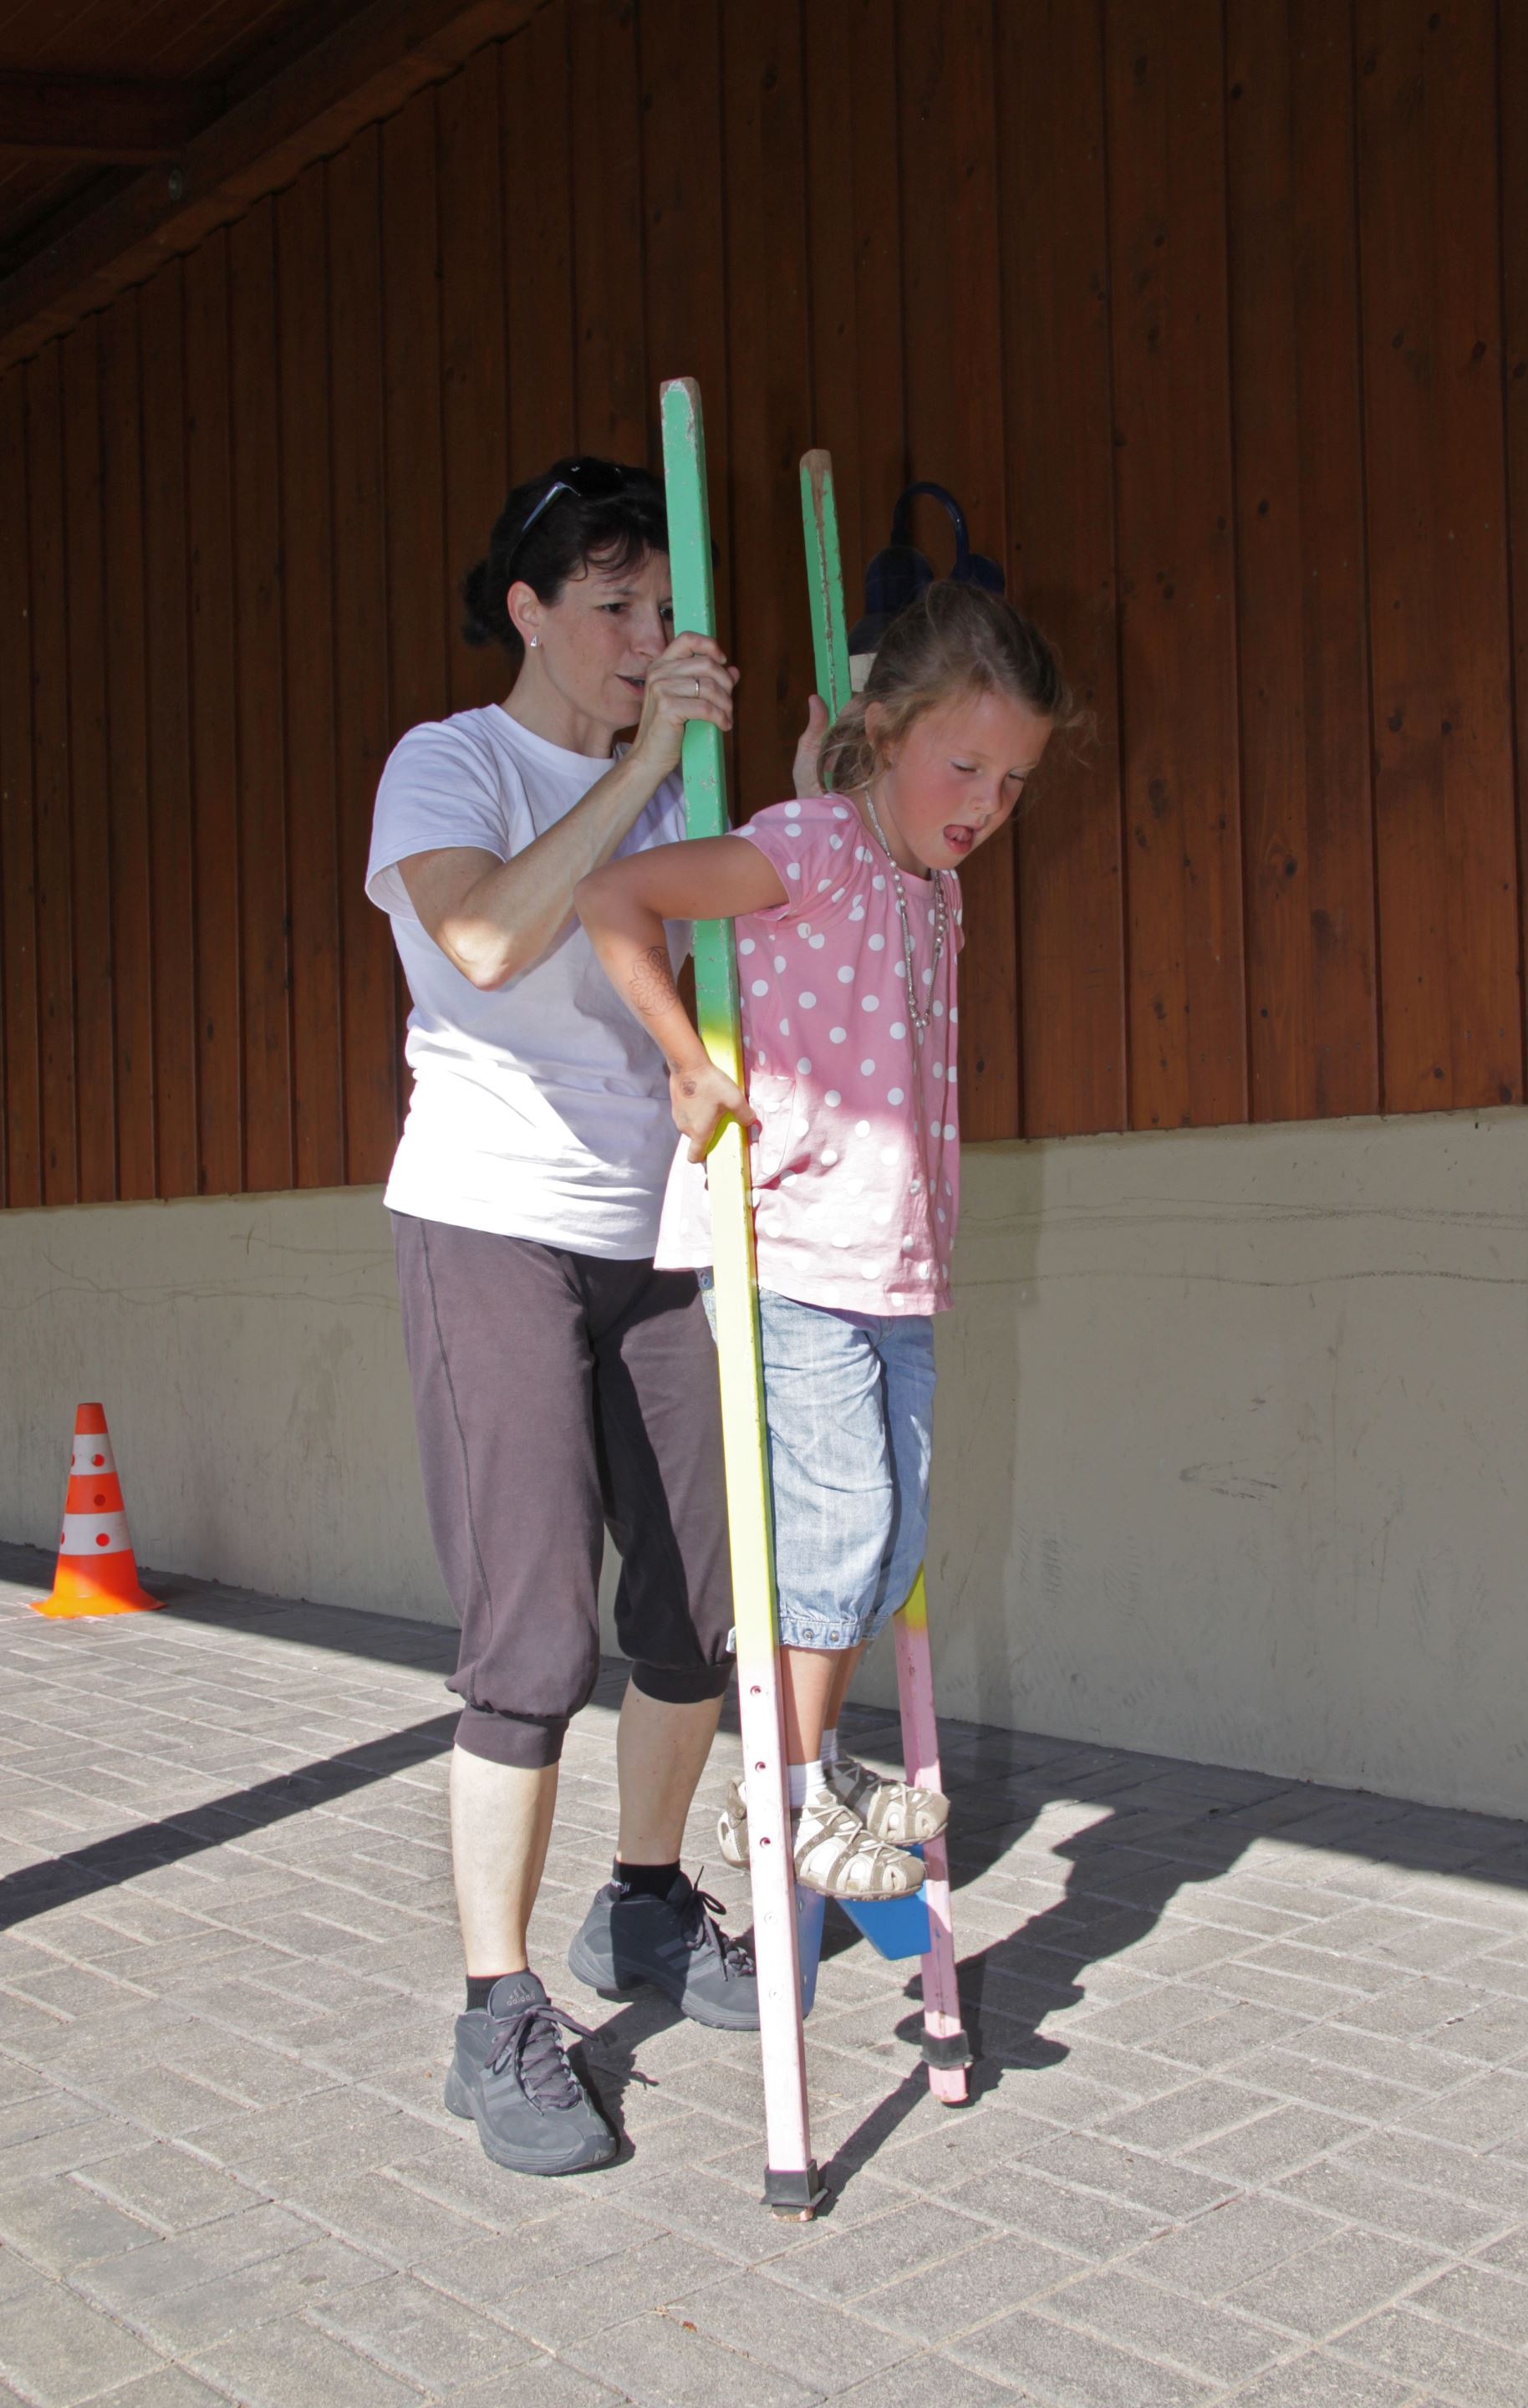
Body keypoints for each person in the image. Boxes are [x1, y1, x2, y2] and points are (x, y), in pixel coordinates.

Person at [366, 457, 822, 2180]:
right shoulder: (451, 763)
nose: (646, 636)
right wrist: (639, 770)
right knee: (534, 1631)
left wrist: (790, 817)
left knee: (702, 1601)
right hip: (492, 1219)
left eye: (664, 607)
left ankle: (641, 1900)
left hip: (661, 1224)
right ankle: (494, 2007)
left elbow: (730, 964)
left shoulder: (677, 779)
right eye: (614, 604)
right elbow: (484, 942)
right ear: (529, 609)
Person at [577, 581, 1079, 1905]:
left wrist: (835, 784)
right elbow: (615, 895)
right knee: (843, 1526)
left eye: (1014, 781)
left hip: (893, 1266)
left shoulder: (927, 881)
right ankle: (780, 1795)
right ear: (890, 731)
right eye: (963, 765)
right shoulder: (814, 845)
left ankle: (810, 1766)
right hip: (792, 1250)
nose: (986, 802)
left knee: (889, 1543)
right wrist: (686, 1061)